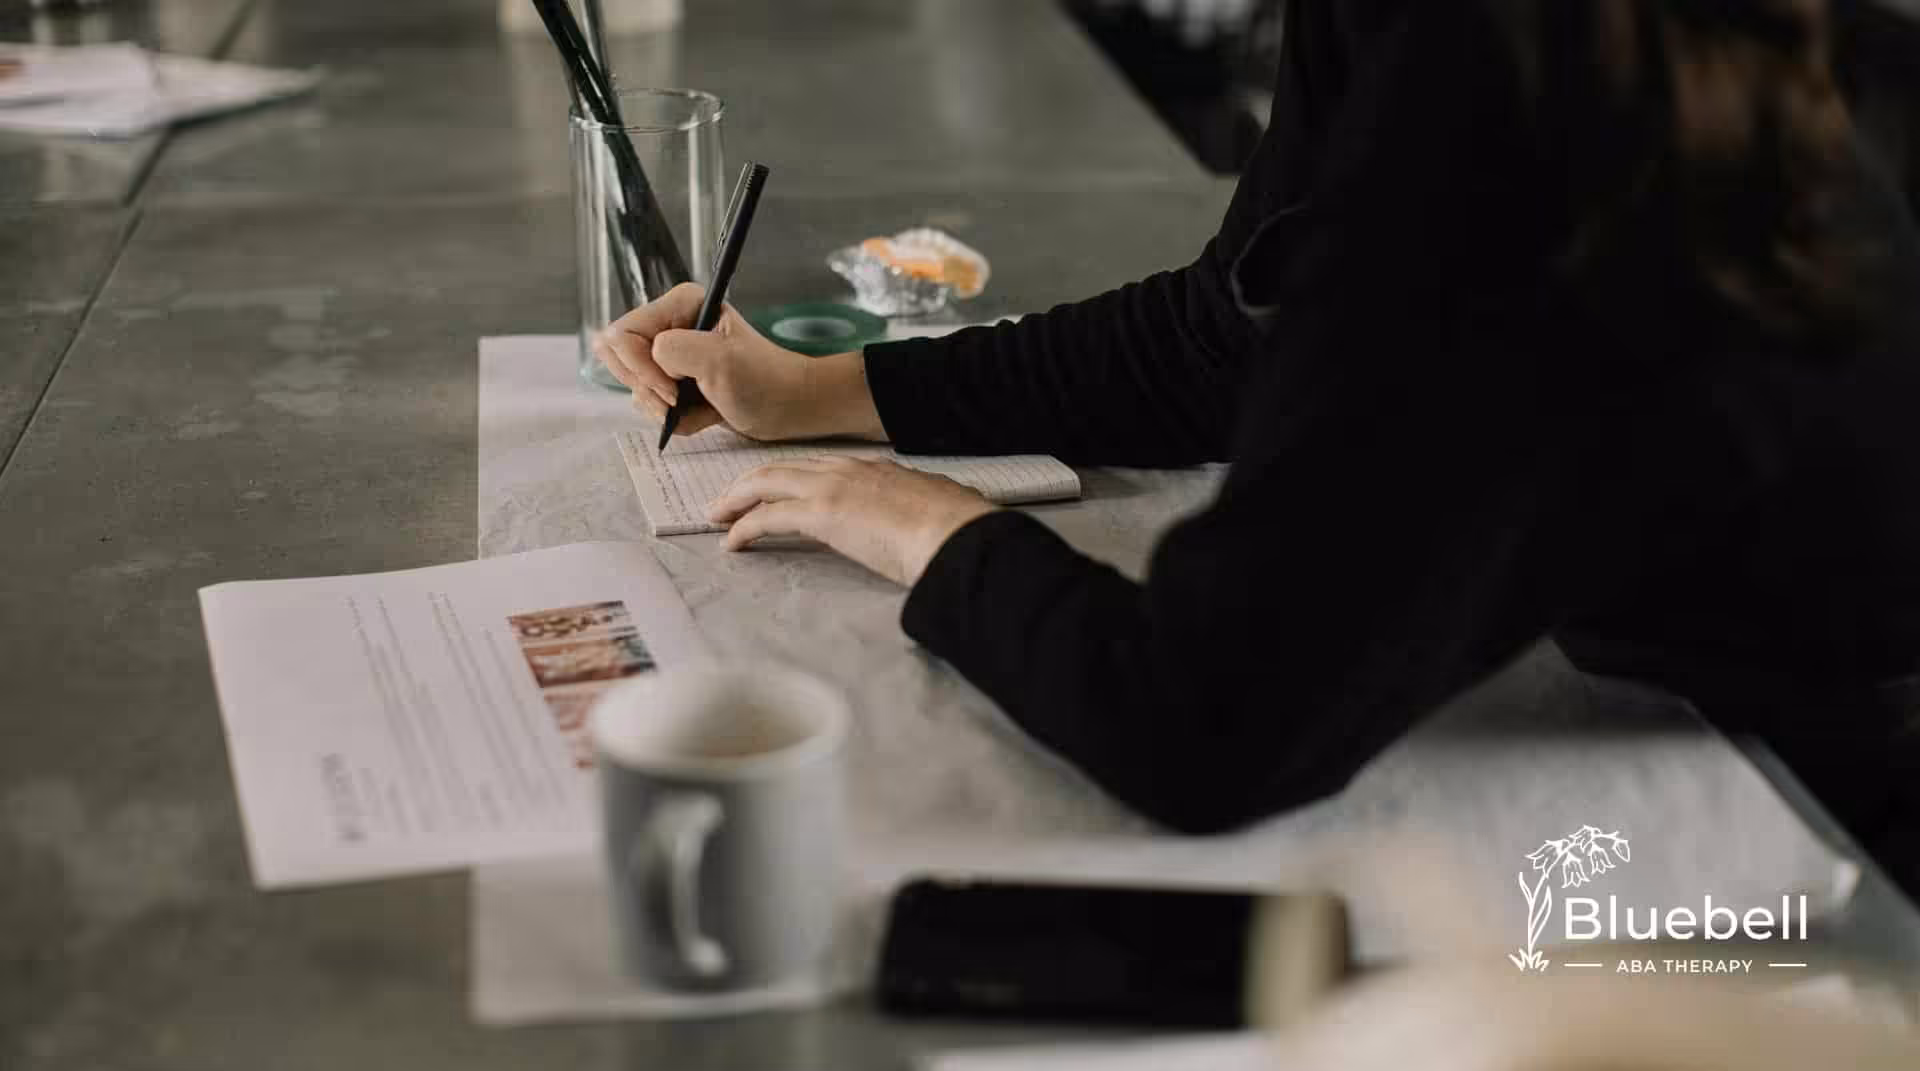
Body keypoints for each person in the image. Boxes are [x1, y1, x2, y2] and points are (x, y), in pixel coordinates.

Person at [597, 0, 1920, 896]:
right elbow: (1233, 331)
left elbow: (1206, 724)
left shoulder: (1541, 104)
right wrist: (825, 388)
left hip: (1822, 879)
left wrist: (926, 527)